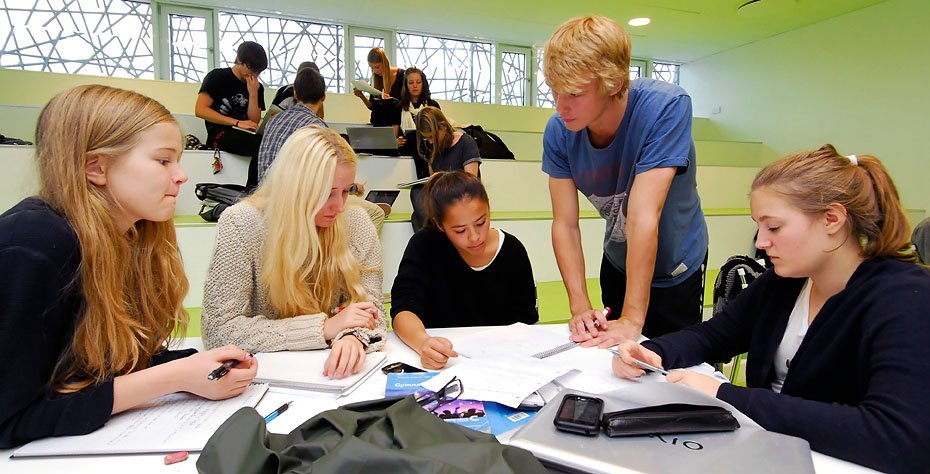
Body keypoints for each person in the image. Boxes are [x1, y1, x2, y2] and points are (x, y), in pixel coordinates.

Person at [611, 145, 930, 473]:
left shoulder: (906, 297)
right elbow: (714, 335)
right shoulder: (785, 282)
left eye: (774, 227)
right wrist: (654, 353)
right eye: (759, 227)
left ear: (832, 219)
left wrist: (727, 395)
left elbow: (899, 438)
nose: (761, 242)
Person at [0, 85, 258, 448]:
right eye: (163, 160)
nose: (182, 176)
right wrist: (173, 377)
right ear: (97, 167)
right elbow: (10, 418)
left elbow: (98, 368)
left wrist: (195, 365)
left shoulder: (130, 237)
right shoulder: (33, 241)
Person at [542, 16, 708, 345]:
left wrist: (633, 318)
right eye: (554, 90)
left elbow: (644, 215)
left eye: (574, 93)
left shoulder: (666, 108)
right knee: (610, 365)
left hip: (676, 268)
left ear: (615, 83)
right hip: (619, 261)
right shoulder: (558, 131)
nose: (561, 106)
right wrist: (579, 307)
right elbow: (565, 224)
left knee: (671, 371)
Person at [201, 126, 387, 379]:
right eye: (327, 193)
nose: (340, 206)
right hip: (263, 376)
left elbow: (372, 308)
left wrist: (354, 337)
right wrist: (324, 328)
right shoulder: (241, 223)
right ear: (295, 187)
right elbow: (218, 330)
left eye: (346, 191)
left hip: (334, 376)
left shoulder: (357, 222)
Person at [391, 172, 537, 369]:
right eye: (460, 230)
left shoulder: (512, 250)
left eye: (481, 222)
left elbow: (526, 322)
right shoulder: (425, 245)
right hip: (446, 362)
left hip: (502, 364)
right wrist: (423, 342)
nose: (474, 236)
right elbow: (403, 309)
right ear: (439, 225)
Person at [256, 67, 387, 232]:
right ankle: (344, 258)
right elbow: (323, 182)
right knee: (375, 213)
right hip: (296, 201)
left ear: (295, 94)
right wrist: (352, 188)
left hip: (265, 197)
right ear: (324, 96)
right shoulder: (318, 128)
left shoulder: (273, 121)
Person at [195, 41, 267, 186]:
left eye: (258, 71)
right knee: (262, 146)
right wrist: (237, 123)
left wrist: (253, 93)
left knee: (270, 142)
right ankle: (252, 189)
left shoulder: (257, 87)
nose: (254, 74)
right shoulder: (217, 77)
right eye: (251, 69)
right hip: (220, 134)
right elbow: (200, 110)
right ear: (240, 60)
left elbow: (254, 120)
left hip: (245, 133)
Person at [409, 106, 481, 230]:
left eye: (432, 137)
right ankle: (438, 230)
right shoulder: (431, 147)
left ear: (442, 126)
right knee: (416, 193)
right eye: (427, 138)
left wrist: (444, 176)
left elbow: (471, 182)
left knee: (419, 219)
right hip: (441, 197)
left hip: (461, 196)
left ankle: (437, 231)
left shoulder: (466, 142)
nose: (430, 142)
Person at [352, 47, 404, 128]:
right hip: (377, 125)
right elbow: (372, 107)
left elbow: (406, 104)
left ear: (385, 63)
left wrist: (392, 101)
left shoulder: (401, 76)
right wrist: (361, 96)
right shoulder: (376, 80)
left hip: (396, 127)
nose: (374, 71)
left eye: (377, 67)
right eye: (371, 68)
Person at [397, 67, 440, 159]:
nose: (415, 86)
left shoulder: (432, 105)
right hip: (406, 155)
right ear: (406, 85)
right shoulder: (398, 107)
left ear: (423, 84)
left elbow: (439, 131)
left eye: (418, 82)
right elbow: (395, 136)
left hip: (429, 151)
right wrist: (397, 142)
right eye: (411, 83)